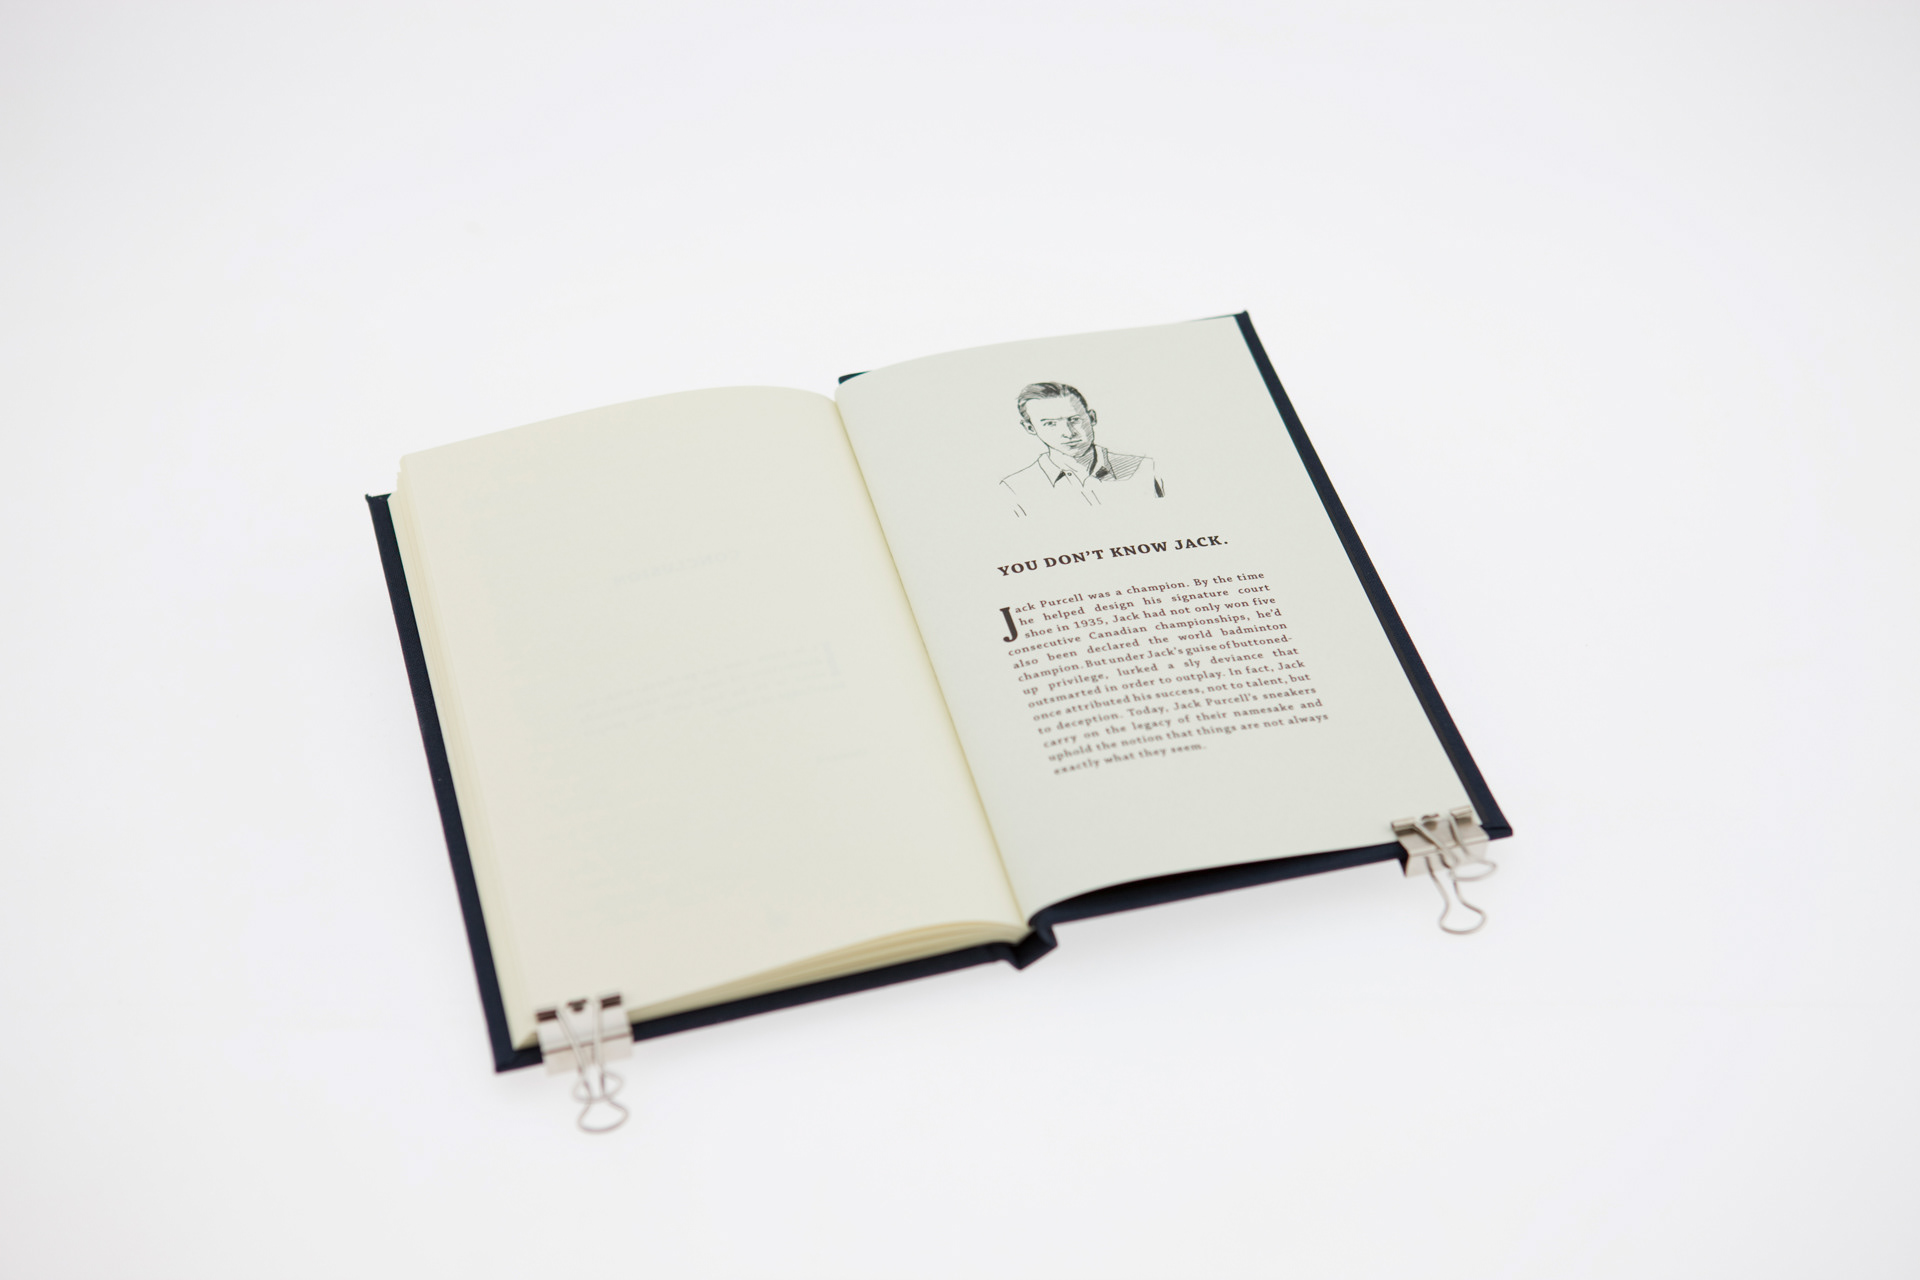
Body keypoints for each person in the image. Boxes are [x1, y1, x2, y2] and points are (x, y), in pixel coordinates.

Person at [999, 382, 1162, 517]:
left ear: (1092, 418)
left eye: (1074, 420)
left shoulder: (1145, 469)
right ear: (1030, 428)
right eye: (1050, 424)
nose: (1068, 433)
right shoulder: (1015, 489)